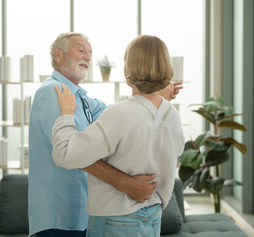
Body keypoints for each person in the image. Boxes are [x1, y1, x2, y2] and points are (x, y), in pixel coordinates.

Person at [28, 32, 182, 237]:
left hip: (85, 214)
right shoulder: (53, 93)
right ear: (58, 55)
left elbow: (132, 115)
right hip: (60, 215)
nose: (88, 57)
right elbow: (67, 152)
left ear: (129, 69)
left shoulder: (80, 98)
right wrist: (125, 183)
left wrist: (153, 96)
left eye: (90, 52)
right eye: (81, 50)